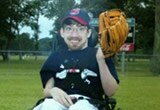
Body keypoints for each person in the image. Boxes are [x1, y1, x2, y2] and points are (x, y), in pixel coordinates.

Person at [33, 8, 119, 110]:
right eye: (69, 28)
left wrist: (101, 60)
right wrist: (52, 91)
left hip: (89, 103)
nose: (74, 34)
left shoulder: (99, 54)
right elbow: (47, 90)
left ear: (89, 33)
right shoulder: (55, 56)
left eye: (80, 28)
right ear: (62, 32)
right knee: (49, 106)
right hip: (58, 101)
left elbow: (110, 91)